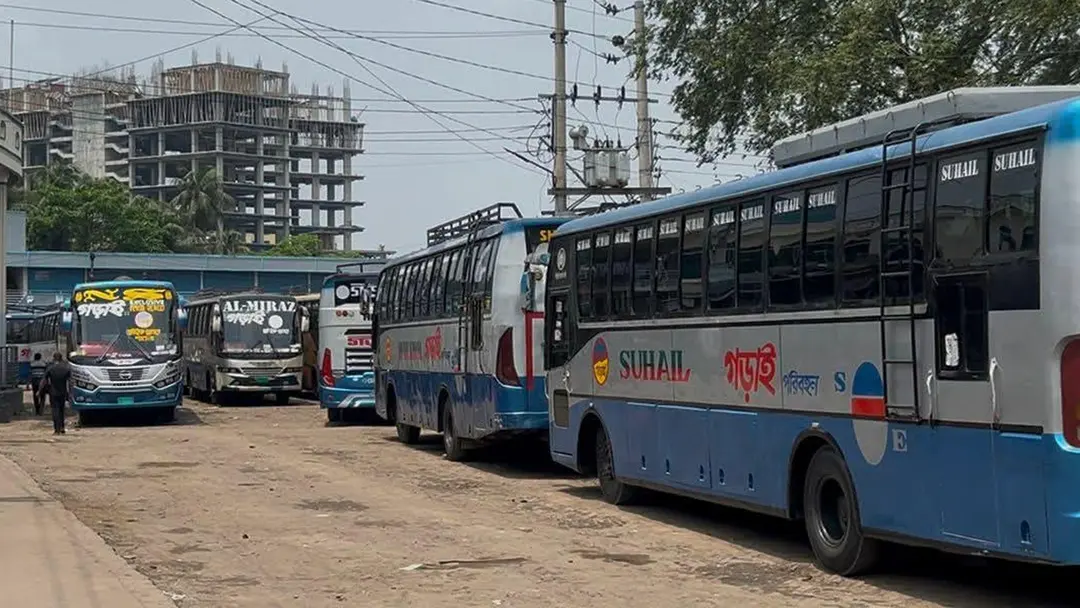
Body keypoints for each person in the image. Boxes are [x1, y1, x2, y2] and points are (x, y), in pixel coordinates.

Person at [39, 352, 71, 435]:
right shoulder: (66, 368)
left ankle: (56, 430)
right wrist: (71, 392)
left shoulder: (50, 368)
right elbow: (71, 381)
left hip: (53, 392)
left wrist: (39, 391)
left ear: (54, 358)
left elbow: (44, 380)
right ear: (61, 358)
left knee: (55, 411)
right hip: (63, 392)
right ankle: (62, 427)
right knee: (62, 410)